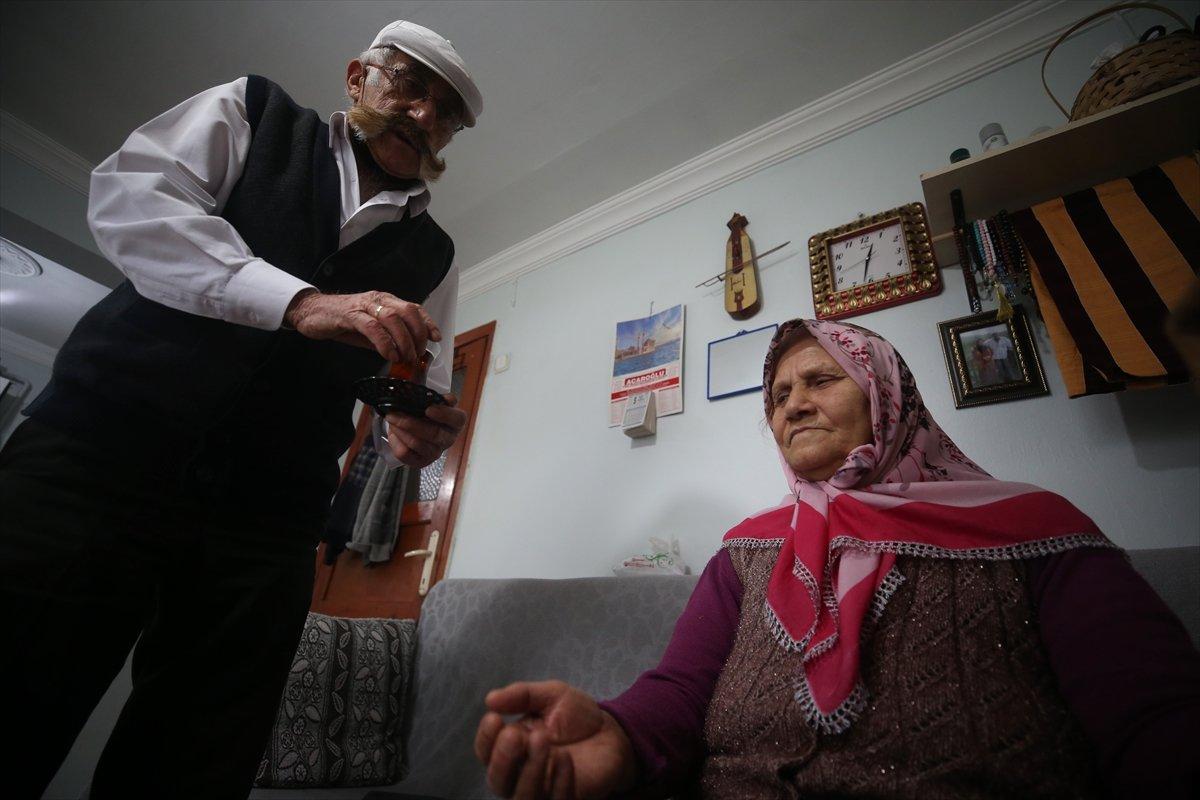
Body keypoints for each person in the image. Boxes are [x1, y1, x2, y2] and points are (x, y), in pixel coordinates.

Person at [0, 20, 481, 799]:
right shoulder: (253, 112)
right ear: (358, 78)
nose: (426, 117)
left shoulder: (437, 255)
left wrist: (414, 430)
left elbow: (415, 375)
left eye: (448, 112)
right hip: (96, 456)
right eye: (410, 88)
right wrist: (301, 303)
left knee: (198, 755)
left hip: (269, 518)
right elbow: (132, 201)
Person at [475, 319, 1200, 799]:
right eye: (779, 395)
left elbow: (1156, 720)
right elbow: (681, 690)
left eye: (820, 380)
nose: (791, 405)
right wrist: (620, 734)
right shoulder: (747, 550)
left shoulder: (1036, 530)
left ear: (886, 395)